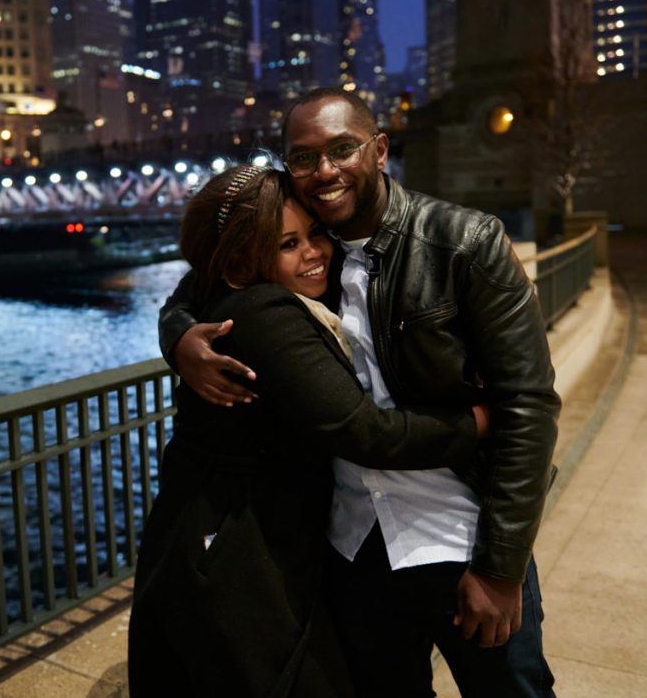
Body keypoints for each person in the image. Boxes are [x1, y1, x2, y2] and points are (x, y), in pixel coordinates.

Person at [158, 88, 560, 697]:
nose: (324, 171)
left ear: (378, 150)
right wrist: (180, 334)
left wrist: (501, 567)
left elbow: (528, 407)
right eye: (303, 157)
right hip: (354, 544)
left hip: (457, 533)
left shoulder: (464, 243)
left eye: (342, 149)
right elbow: (211, 273)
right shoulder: (298, 250)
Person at [129, 165, 490, 697]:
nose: (314, 251)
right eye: (288, 244)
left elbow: (188, 289)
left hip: (227, 534)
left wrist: (177, 331)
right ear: (239, 259)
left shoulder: (245, 292)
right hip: (242, 547)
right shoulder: (264, 311)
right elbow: (365, 432)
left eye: (315, 233)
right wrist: (481, 421)